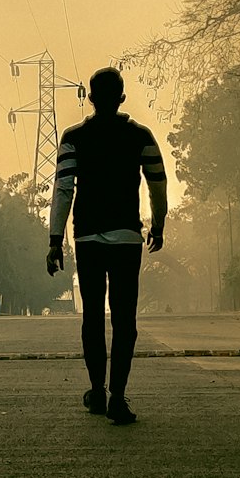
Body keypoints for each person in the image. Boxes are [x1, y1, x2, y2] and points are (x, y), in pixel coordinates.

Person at [47, 65, 167, 425]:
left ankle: (96, 391)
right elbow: (157, 187)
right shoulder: (141, 136)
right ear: (122, 98)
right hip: (127, 238)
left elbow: (63, 191)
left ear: (90, 97)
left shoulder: (73, 138)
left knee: (93, 317)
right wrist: (157, 225)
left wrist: (55, 240)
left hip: (87, 238)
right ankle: (118, 396)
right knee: (125, 318)